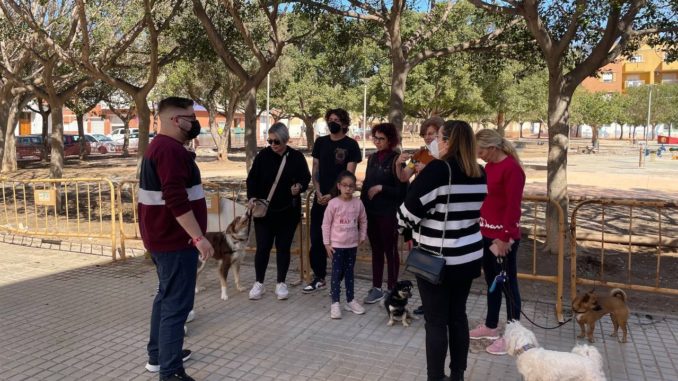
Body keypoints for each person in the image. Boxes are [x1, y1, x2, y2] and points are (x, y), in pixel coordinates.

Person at [398, 120, 487, 381]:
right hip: (468, 257)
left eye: (437, 137)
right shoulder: (479, 172)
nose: (433, 142)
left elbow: (406, 215)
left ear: (446, 140)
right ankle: (457, 374)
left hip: (437, 259)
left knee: (436, 322)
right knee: (457, 317)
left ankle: (435, 377)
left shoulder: (438, 170)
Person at [139, 97, 215, 381]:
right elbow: (175, 198)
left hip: (162, 239)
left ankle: (160, 355)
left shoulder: (160, 147)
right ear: (175, 120)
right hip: (174, 241)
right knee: (177, 305)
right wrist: (198, 238)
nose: (194, 122)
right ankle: (170, 372)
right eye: (190, 117)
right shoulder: (169, 151)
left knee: (165, 297)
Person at [469, 128, 526, 355]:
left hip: (503, 238)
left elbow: (513, 207)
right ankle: (491, 326)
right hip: (486, 233)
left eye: (481, 150)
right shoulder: (489, 168)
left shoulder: (512, 169)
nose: (479, 155)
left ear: (492, 147)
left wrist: (504, 238)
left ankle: (513, 335)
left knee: (508, 285)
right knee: (492, 282)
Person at [246, 122, 311, 300]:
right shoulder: (263, 156)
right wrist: (251, 196)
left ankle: (281, 283)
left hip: (288, 212)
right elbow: (252, 178)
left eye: (277, 141)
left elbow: (306, 177)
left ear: (285, 140)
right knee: (263, 248)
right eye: (270, 141)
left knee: (283, 248)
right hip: (264, 212)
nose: (273, 145)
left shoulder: (296, 157)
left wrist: (300, 186)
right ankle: (259, 282)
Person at [303, 108, 362, 293]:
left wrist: (332, 195)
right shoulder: (320, 142)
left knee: (341, 240)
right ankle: (319, 277)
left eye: (336, 119)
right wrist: (319, 192)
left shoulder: (351, 145)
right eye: (330, 119)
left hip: (341, 202)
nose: (332, 122)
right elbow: (315, 170)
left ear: (344, 123)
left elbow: (349, 174)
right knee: (317, 238)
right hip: (320, 201)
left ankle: (340, 277)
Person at [395, 116, 444, 314]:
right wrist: (399, 164)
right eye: (425, 134)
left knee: (439, 258)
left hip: (440, 214)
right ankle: (427, 301)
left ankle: (438, 300)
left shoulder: (446, 156)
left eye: (432, 134)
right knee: (420, 256)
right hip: (419, 213)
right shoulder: (421, 154)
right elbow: (404, 176)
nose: (428, 138)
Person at [361, 123, 407, 304]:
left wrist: (381, 188)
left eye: (382, 139)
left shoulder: (397, 159)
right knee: (377, 250)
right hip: (371, 212)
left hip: (388, 213)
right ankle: (377, 287)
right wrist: (361, 211)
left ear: (390, 140)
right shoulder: (372, 159)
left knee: (391, 250)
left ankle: (392, 288)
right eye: (375, 137)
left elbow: (402, 191)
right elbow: (366, 186)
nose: (377, 142)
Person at [322, 171, 368, 319]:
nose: (348, 188)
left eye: (351, 186)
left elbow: (363, 220)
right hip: (336, 246)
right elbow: (326, 224)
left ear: (354, 187)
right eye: (345, 185)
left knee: (349, 273)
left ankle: (350, 300)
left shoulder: (358, 203)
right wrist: (327, 243)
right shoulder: (333, 203)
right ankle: (335, 303)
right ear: (339, 186)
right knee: (336, 274)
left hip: (352, 245)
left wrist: (362, 235)